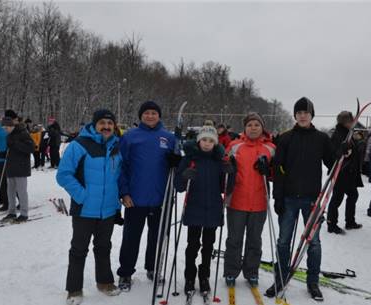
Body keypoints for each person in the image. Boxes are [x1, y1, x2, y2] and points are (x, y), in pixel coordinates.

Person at [265, 97, 333, 301]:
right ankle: (280, 277)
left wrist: (346, 152)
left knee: (313, 243)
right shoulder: (286, 138)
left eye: (306, 112)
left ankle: (313, 282)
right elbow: (278, 170)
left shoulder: (321, 138)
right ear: (295, 115)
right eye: (299, 112)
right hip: (288, 199)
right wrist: (278, 198)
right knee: (283, 241)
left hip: (312, 199)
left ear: (312, 115)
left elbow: (333, 162)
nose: (303, 115)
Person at [56, 109, 123, 305]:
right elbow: (64, 174)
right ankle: (74, 289)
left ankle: (104, 282)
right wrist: (82, 196)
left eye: (110, 123)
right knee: (79, 249)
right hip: (85, 209)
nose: (106, 127)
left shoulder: (117, 146)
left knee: (104, 247)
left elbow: (121, 175)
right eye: (102, 123)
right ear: (94, 125)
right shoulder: (79, 145)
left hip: (108, 210)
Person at [116, 101, 179, 291]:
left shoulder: (169, 138)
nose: (150, 116)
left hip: (161, 198)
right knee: (131, 237)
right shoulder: (129, 137)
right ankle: (126, 273)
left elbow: (178, 168)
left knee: (157, 238)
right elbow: (121, 167)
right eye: (147, 113)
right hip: (135, 198)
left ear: (159, 116)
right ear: (141, 116)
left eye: (154, 113)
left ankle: (153, 268)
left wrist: (177, 162)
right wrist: (124, 192)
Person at [174, 126, 233, 294]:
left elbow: (227, 188)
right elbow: (178, 186)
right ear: (199, 141)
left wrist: (230, 173)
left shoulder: (219, 160)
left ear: (215, 143)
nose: (207, 144)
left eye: (211, 141)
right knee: (192, 245)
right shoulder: (190, 159)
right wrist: (185, 175)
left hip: (213, 208)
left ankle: (204, 276)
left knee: (208, 246)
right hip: (194, 207)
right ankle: (190, 277)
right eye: (204, 140)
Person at [223, 112, 275, 288]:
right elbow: (223, 166)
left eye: (257, 125)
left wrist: (268, 170)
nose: (253, 128)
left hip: (259, 202)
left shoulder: (270, 148)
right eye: (250, 125)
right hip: (237, 200)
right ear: (245, 128)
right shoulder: (234, 145)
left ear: (262, 127)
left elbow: (277, 172)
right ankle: (231, 271)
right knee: (234, 239)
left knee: (254, 240)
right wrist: (228, 167)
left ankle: (251, 272)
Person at [327, 111, 363, 234]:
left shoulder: (348, 133)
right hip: (341, 173)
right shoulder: (338, 134)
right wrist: (342, 152)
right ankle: (332, 224)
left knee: (353, 195)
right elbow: (333, 154)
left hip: (350, 173)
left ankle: (350, 221)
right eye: (349, 121)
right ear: (344, 122)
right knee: (337, 199)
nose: (352, 122)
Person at [0, 115, 34, 223]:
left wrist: (16, 143)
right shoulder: (9, 136)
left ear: (11, 126)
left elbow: (31, 148)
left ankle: (24, 214)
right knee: (10, 192)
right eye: (3, 128)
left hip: (21, 167)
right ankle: (12, 212)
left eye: (6, 128)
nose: (5, 130)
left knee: (21, 192)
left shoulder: (23, 133)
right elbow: (10, 151)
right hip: (10, 167)